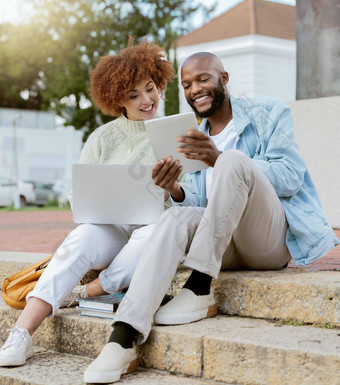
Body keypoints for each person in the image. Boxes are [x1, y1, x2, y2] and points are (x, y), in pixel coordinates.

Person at [83, 51, 339, 384]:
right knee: (173, 219)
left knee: (233, 161)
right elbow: (201, 206)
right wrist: (174, 189)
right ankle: (124, 336)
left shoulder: (268, 113)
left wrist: (219, 158)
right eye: (187, 84)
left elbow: (291, 176)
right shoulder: (189, 135)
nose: (195, 89)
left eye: (203, 78)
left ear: (224, 79)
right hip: (222, 245)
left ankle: (200, 286)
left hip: (268, 243)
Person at [0, 39, 176, 367]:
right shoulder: (101, 139)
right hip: (110, 226)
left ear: (159, 83)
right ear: (117, 101)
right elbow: (76, 197)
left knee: (153, 231)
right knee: (80, 238)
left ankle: (89, 291)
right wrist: (97, 202)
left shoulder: (172, 133)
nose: (146, 100)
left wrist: (170, 190)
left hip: (154, 227)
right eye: (133, 95)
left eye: (149, 89)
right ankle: (21, 335)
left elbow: (190, 199)